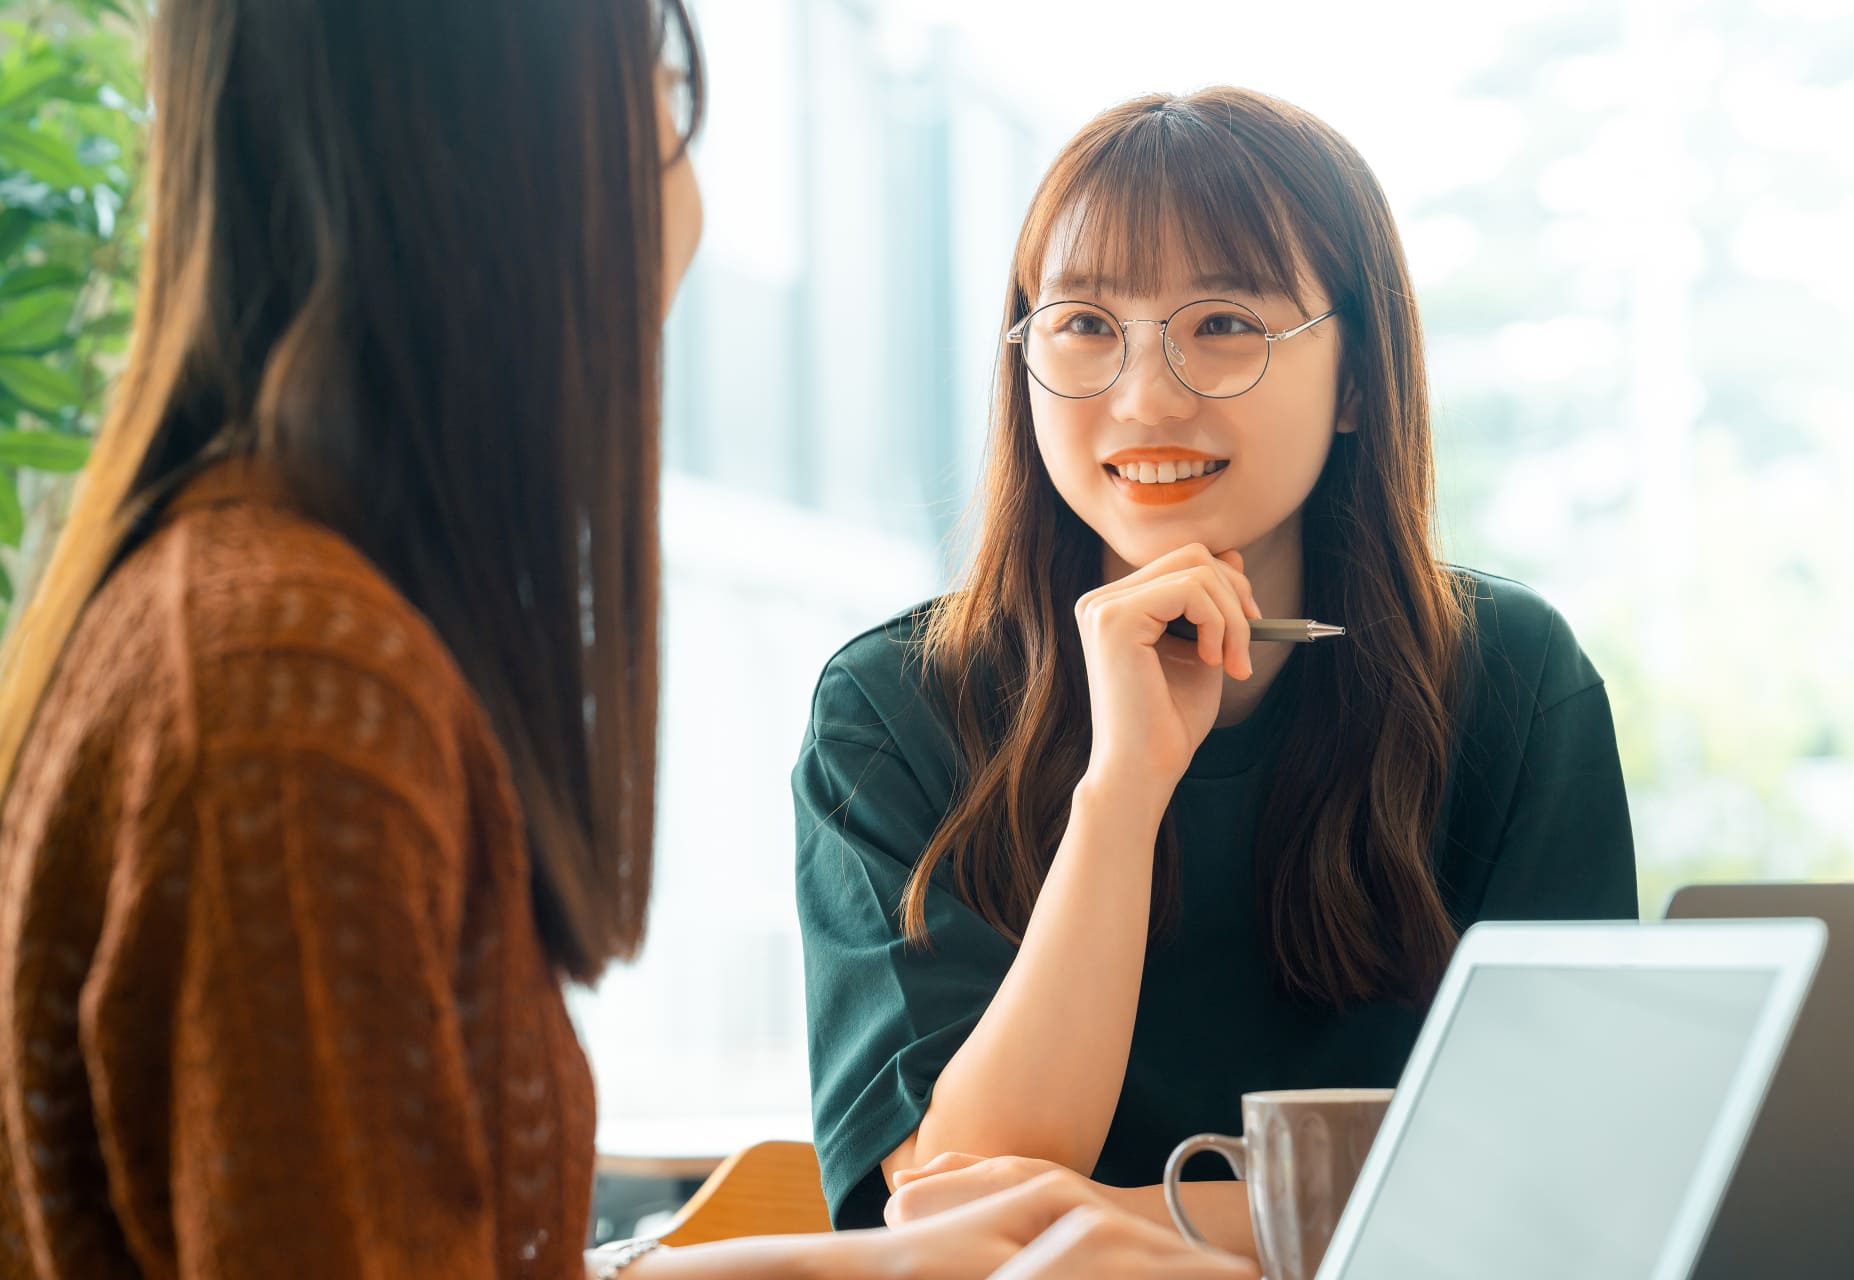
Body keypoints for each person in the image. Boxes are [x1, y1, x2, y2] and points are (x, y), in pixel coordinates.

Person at [0, 3, 1255, 1277]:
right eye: (662, 93)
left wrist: (833, 1266)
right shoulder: (295, 694)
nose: (691, 198)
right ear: (488, 154)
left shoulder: (263, 622)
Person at [794, 86, 1639, 1255]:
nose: (1144, 396)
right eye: (1085, 324)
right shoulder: (896, 708)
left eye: (1225, 324)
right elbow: (955, 1221)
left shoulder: (1507, 681)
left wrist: (1126, 1225)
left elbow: (1574, 1184)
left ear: (1356, 377)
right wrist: (1122, 788)